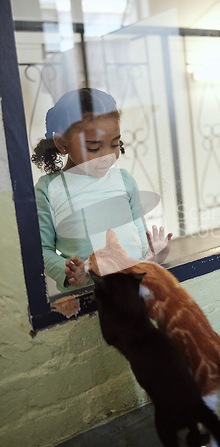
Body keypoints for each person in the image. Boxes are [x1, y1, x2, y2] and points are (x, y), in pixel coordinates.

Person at [32, 88, 172, 293]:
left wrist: (153, 256)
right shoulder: (49, 189)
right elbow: (42, 250)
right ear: (62, 143)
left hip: (134, 289)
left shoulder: (124, 180)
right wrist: (70, 272)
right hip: (90, 297)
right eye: (95, 148)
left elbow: (139, 236)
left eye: (115, 144)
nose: (108, 156)